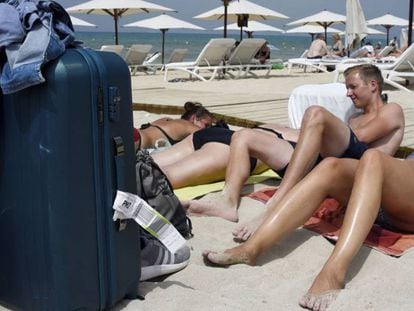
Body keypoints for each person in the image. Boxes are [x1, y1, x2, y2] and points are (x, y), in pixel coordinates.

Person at [197, 64, 404, 241]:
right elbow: (330, 138)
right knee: (244, 136)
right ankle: (228, 201)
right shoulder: (353, 117)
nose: (348, 93)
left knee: (315, 113)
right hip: (329, 164)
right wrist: (293, 132)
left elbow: (361, 137)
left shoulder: (391, 110)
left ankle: (278, 201)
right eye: (347, 88)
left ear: (373, 85)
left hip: (361, 171)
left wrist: (318, 128)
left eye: (353, 87)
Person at [202, 150, 414, 310]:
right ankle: (252, 248)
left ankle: (334, 272)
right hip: (394, 191)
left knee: (374, 157)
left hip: (405, 208)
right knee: (331, 165)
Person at [152, 126, 274, 191]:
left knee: (144, 163)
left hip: (215, 133)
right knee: (160, 177)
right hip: (233, 149)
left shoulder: (273, 127)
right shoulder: (291, 139)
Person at [134, 101, 213, 151]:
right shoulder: (187, 125)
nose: (207, 128)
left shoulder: (166, 120)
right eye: (206, 125)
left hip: (135, 134)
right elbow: (212, 136)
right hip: (137, 142)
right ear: (194, 118)